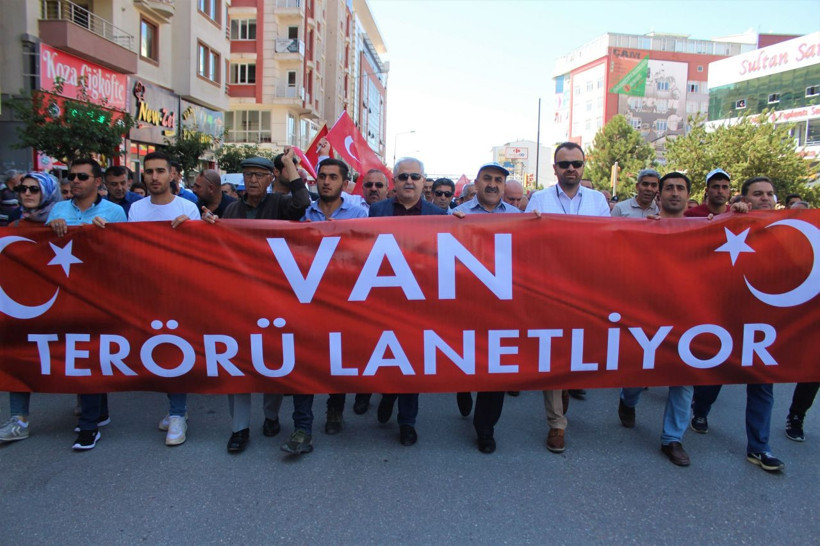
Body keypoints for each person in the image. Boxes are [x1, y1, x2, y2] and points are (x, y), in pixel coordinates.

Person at [204, 151, 309, 454]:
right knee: (238, 363)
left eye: (259, 175)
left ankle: (271, 417)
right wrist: (209, 225)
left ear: (270, 178)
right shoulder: (231, 209)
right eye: (248, 175)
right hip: (238, 299)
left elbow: (302, 202)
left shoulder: (280, 203)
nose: (252, 180)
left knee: (271, 358)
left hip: (273, 297)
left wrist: (289, 166)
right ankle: (239, 429)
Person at [691, 176, 785, 472]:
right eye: (758, 193)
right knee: (716, 374)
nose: (765, 198)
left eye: (769, 193)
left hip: (763, 322)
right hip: (727, 318)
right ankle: (700, 410)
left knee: (762, 383)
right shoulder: (732, 222)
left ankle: (759, 447)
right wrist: (732, 215)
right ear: (744, 199)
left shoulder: (787, 228)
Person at [525, 142, 610, 454]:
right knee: (554, 353)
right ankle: (556, 424)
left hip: (589, 289)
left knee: (579, 350)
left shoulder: (598, 200)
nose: (571, 169)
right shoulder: (539, 199)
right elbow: (524, 241)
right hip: (550, 289)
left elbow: (611, 240)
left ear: (583, 166)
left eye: (576, 163)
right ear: (555, 169)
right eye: (564, 164)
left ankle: (567, 386)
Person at [287, 158, 369, 453]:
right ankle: (302, 428)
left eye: (333, 177)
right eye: (322, 176)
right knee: (304, 361)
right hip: (308, 299)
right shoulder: (303, 213)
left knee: (337, 359)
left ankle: (335, 408)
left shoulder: (360, 215)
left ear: (344, 184)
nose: (326, 181)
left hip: (344, 300)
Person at [47, 159, 126, 450]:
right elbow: (40, 250)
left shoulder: (114, 212)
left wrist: (105, 237)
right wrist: (51, 228)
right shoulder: (58, 210)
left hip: (99, 294)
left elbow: (126, 254)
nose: (75, 181)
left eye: (82, 176)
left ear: (97, 182)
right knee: (78, 352)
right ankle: (99, 411)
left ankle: (89, 425)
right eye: (72, 176)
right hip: (64, 294)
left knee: (89, 353)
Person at [617, 172, 695, 466]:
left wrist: (740, 211)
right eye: (670, 188)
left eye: (681, 188)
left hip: (688, 317)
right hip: (648, 314)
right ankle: (628, 400)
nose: (675, 193)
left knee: (684, 379)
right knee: (640, 372)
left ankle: (672, 439)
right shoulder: (643, 228)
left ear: (688, 195)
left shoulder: (704, 228)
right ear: (660, 195)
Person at [369, 157, 446, 447]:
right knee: (389, 356)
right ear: (394, 182)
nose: (409, 182)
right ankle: (389, 394)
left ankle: (407, 422)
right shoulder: (377, 211)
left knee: (411, 360)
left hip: (419, 300)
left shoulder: (439, 215)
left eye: (415, 176)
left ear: (424, 181)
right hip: (384, 295)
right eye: (403, 177)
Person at [128, 151, 201, 446]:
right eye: (149, 171)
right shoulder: (136, 209)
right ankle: (174, 408)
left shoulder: (188, 208)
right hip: (148, 292)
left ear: (172, 174)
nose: (154, 177)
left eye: (160, 171)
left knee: (174, 350)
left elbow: (200, 252)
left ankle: (178, 413)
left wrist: (191, 232)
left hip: (180, 293)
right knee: (156, 351)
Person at [451, 162, 520, 453]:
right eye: (487, 179)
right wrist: (451, 226)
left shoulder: (518, 217)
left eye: (498, 180)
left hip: (501, 306)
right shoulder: (456, 215)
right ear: (477, 183)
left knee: (496, 368)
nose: (493, 184)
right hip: (465, 302)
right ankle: (463, 386)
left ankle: (485, 428)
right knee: (464, 357)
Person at [0, 172, 63, 444]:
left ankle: (86, 409)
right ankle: (19, 420)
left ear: (47, 193)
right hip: (24, 303)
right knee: (19, 355)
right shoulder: (14, 226)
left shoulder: (63, 223)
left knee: (72, 353)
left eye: (34, 189)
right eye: (23, 189)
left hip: (65, 303)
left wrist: (64, 229)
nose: (26, 193)